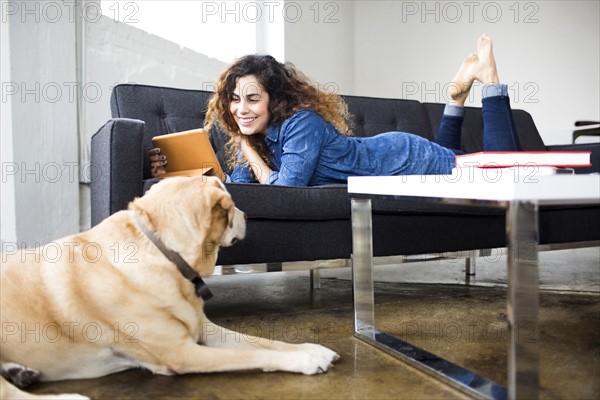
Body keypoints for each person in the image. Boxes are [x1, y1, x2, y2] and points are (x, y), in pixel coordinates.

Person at [150, 34, 522, 185]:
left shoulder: (301, 123)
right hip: (399, 156)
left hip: (404, 157)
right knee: (461, 159)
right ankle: (456, 98)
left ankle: (491, 81)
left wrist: (247, 152)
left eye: (251, 98)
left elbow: (287, 188)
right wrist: (177, 176)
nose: (240, 110)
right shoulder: (263, 139)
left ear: (273, 99)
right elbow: (238, 188)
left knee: (506, 173)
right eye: (233, 99)